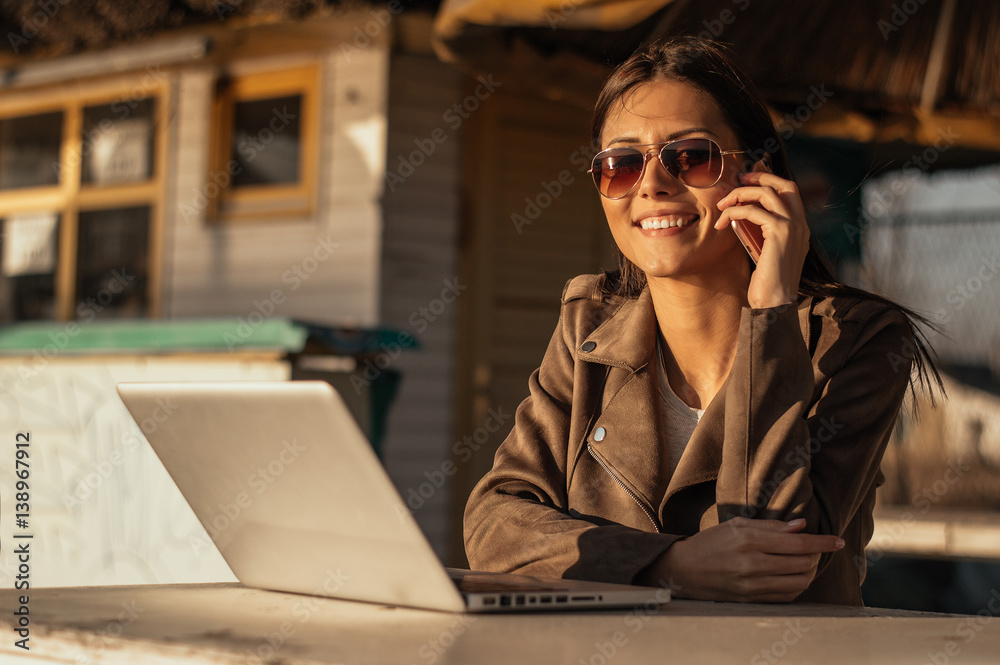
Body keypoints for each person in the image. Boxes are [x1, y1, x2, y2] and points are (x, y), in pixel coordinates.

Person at [463, 36, 941, 605]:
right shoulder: (588, 327)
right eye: (621, 164)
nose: (652, 184)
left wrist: (771, 314)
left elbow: (775, 558)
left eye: (691, 156)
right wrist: (670, 565)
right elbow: (494, 525)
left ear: (756, 175)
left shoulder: (854, 339)